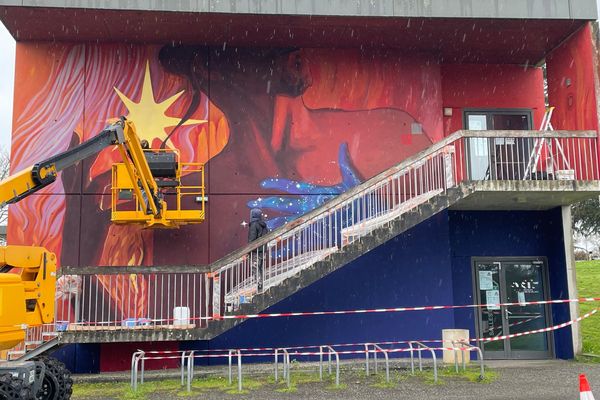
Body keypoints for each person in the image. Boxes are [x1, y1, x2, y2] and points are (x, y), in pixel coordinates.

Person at [248, 208, 269, 291]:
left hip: (255, 251)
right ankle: (261, 284)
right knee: (260, 268)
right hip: (262, 251)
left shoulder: (254, 224)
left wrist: (248, 251)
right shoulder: (264, 225)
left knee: (255, 268)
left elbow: (252, 239)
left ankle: (258, 286)